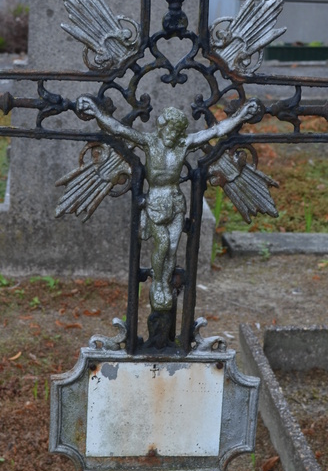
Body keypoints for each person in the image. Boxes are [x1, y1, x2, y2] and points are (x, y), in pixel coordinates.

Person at [75, 96, 261, 312]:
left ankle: (164, 283)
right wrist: (97, 113)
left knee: (172, 249)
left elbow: (216, 131)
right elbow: (118, 129)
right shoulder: (149, 142)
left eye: (177, 132)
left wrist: (240, 116)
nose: (172, 135)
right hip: (156, 201)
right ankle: (158, 282)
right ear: (162, 127)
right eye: (169, 130)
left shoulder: (184, 144)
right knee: (162, 244)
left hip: (176, 202)